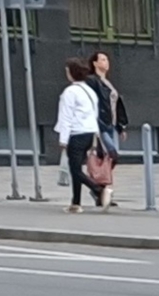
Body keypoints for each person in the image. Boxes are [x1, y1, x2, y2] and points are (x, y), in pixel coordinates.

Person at [54, 57, 107, 212]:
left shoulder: (70, 92)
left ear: (71, 73)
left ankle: (98, 190)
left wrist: (63, 139)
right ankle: (75, 202)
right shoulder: (89, 91)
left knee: (75, 170)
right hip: (89, 132)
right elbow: (94, 113)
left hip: (76, 133)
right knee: (76, 167)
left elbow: (66, 117)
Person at [88, 50, 129, 164]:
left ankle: (100, 179)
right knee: (112, 153)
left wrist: (121, 128)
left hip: (111, 123)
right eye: (103, 60)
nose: (107, 62)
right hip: (101, 124)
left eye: (107, 60)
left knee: (105, 156)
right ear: (95, 63)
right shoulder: (93, 81)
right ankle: (97, 178)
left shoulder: (107, 83)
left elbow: (116, 105)